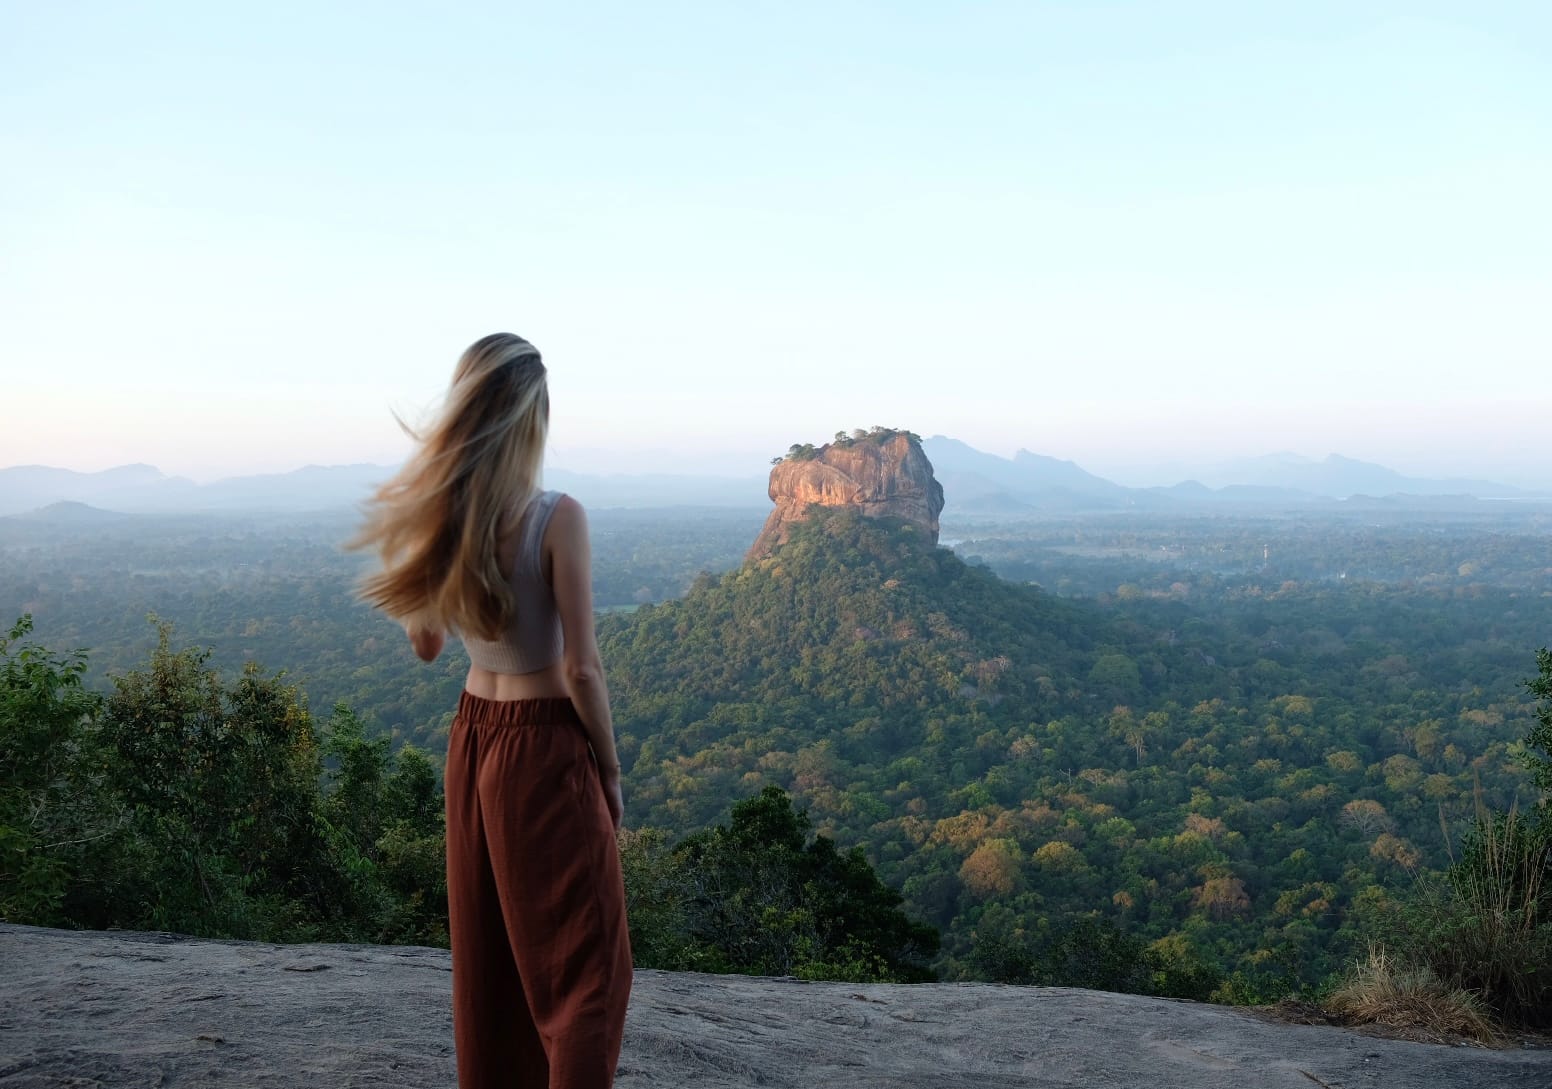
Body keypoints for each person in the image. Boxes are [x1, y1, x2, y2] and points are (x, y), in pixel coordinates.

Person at [351, 332, 632, 1089]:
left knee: (492, 975)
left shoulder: (449, 519)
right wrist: (607, 773)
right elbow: (581, 666)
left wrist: (432, 541)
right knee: (587, 977)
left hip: (473, 744)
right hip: (544, 750)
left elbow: (427, 647)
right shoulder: (555, 517)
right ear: (532, 418)